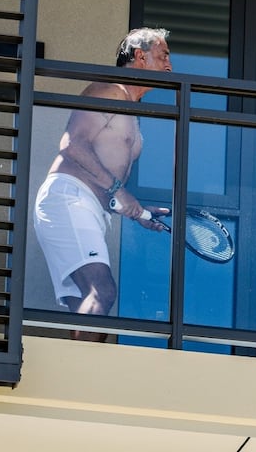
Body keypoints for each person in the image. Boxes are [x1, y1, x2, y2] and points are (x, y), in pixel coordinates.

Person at [33, 27, 173, 341]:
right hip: (68, 198)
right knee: (102, 291)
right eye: (163, 56)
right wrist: (118, 191)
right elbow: (72, 145)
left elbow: (106, 179)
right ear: (140, 56)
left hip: (89, 208)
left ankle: (77, 376)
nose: (169, 66)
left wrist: (137, 210)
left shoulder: (132, 111)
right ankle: (78, 379)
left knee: (87, 303)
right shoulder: (109, 91)